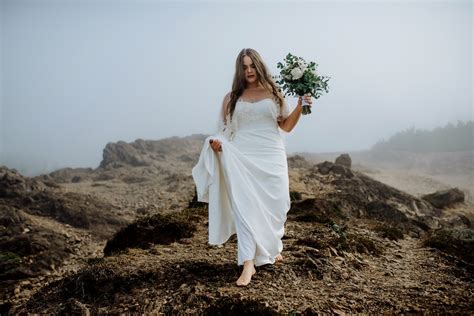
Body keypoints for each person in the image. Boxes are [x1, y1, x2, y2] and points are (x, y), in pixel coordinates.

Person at [192, 48, 312, 286]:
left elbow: (286, 126)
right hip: (241, 156)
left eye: (252, 66)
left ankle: (270, 248)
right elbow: (224, 131)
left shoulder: (274, 92)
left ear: (259, 66)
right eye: (244, 67)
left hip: (271, 155)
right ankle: (247, 263)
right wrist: (217, 144)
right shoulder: (231, 97)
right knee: (244, 207)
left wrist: (300, 106)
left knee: (276, 206)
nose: (248, 71)